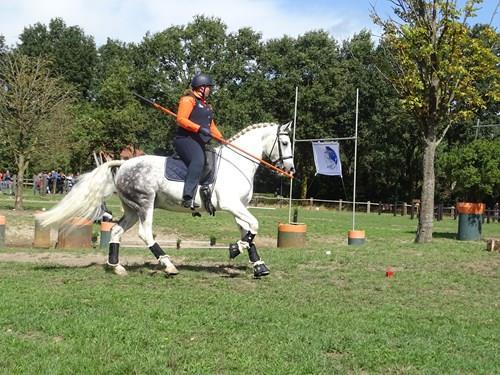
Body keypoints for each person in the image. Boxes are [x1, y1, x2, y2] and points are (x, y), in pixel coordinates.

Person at [174, 73, 223, 209]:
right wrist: (198, 128)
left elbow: (211, 126)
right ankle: (188, 197)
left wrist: (222, 139)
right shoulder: (188, 100)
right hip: (185, 139)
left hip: (199, 141)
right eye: (209, 88)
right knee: (198, 160)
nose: (210, 90)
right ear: (201, 88)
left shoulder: (207, 106)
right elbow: (181, 119)